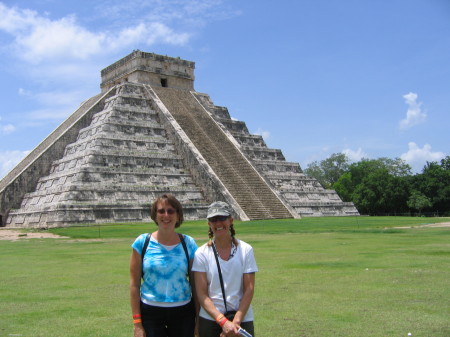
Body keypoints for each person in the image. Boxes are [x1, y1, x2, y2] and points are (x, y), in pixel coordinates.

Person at [130, 194, 198, 337]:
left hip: (183, 311)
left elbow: (195, 284)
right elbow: (134, 285)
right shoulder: (142, 243)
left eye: (171, 211)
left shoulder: (189, 243)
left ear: (178, 216)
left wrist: (198, 319)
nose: (166, 215)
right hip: (150, 311)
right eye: (161, 211)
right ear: (155, 215)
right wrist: (137, 324)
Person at [192, 201, 258, 337]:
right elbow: (202, 294)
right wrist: (223, 322)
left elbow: (249, 289)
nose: (218, 224)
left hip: (242, 317)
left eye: (222, 218)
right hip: (211, 319)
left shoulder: (245, 250)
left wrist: (236, 322)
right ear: (208, 223)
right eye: (213, 220)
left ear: (231, 220)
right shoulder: (201, 253)